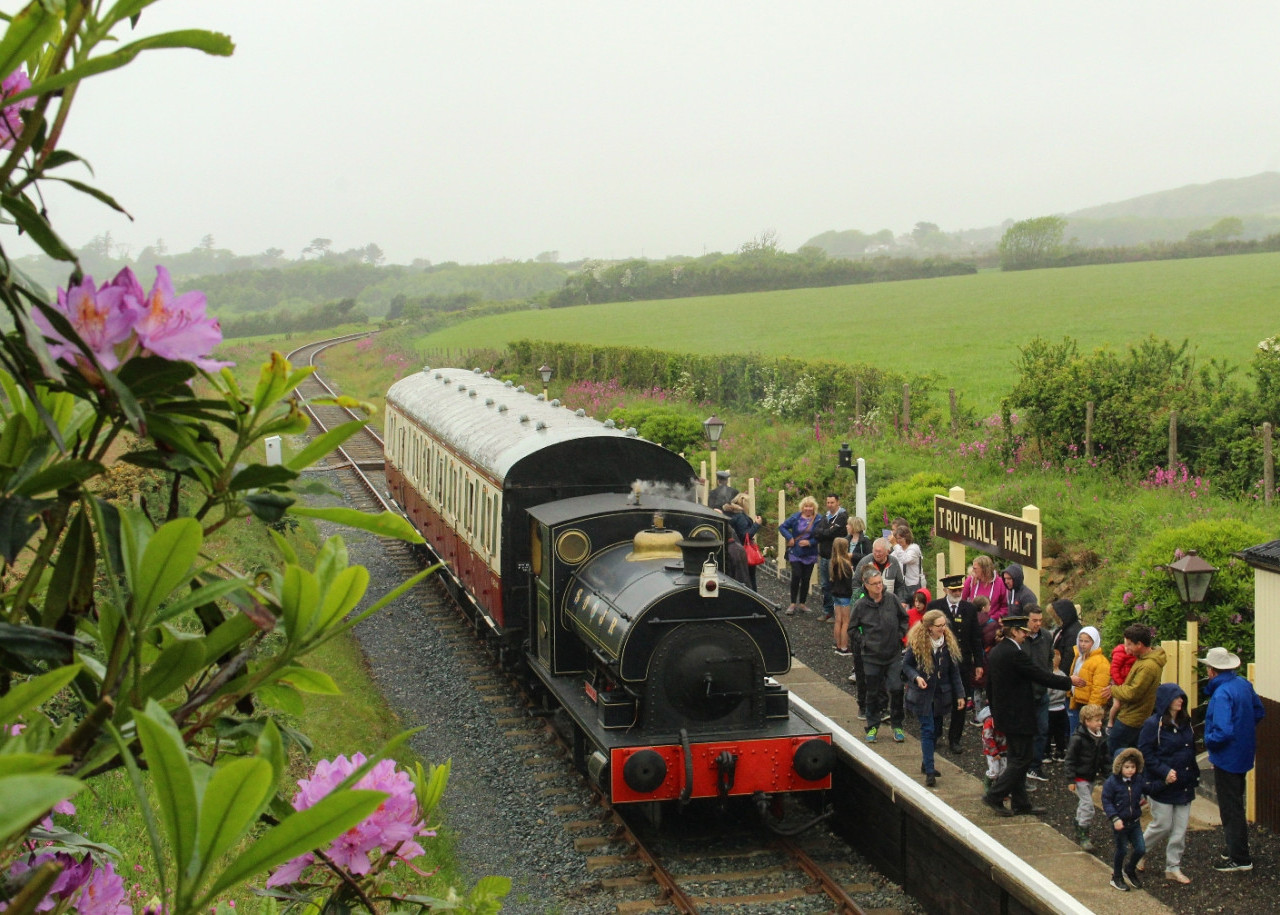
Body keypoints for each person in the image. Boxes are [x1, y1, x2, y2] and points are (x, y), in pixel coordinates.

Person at [981, 615, 1080, 817]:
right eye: (1023, 631)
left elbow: (989, 685)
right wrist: (1068, 681)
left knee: (1016, 758)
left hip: (1005, 714)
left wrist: (995, 712)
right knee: (1022, 759)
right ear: (1014, 632)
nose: (1026, 635)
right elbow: (1039, 674)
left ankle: (1021, 803)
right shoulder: (1014, 654)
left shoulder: (998, 651)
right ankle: (995, 795)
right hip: (1018, 715)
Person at [1200, 646, 1265, 873]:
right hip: (1243, 752)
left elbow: (1222, 731)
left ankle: (1239, 857)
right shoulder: (1243, 684)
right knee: (1235, 800)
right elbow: (1259, 712)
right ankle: (1235, 848)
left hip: (1227, 756)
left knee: (1230, 807)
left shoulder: (1221, 694)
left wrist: (1209, 742)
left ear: (1212, 671)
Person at [1138, 682, 1198, 884]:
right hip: (1162, 784)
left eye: (1182, 697)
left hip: (1184, 783)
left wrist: (1192, 775)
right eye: (1176, 697)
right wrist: (1164, 772)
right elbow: (1145, 752)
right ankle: (1139, 851)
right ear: (1166, 701)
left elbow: (1191, 750)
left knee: (1180, 829)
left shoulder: (1186, 722)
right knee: (1162, 824)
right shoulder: (1153, 724)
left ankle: (1173, 867)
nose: (1180, 700)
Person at [903, 610, 966, 787]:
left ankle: (926, 762)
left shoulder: (947, 644)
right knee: (928, 730)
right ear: (929, 627)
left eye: (944, 625)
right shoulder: (918, 643)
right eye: (939, 626)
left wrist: (960, 694)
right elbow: (906, 665)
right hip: (922, 695)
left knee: (936, 730)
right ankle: (930, 771)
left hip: (940, 696)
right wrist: (916, 677)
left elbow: (954, 672)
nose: (943, 628)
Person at [850, 568, 909, 743]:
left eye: (880, 583)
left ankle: (897, 724)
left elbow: (904, 618)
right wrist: (864, 642)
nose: (878, 587)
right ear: (866, 585)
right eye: (875, 584)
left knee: (897, 689)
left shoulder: (892, 599)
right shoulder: (860, 605)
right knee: (873, 693)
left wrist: (899, 636)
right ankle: (872, 726)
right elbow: (852, 629)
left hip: (892, 655)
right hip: (871, 656)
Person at [928, 573, 985, 753]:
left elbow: (976, 638)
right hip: (940, 663)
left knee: (960, 701)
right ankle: (936, 734)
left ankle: (955, 738)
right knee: (937, 700)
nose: (957, 593)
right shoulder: (935, 607)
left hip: (962, 663)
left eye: (959, 589)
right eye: (953, 590)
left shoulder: (969, 609)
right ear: (946, 590)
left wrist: (979, 663)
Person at [1104, 624, 1167, 757]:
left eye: (1129, 644)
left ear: (1139, 644)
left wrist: (1113, 690)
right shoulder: (1143, 659)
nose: (1126, 648)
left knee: (1114, 751)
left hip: (1131, 718)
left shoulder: (1148, 666)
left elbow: (1133, 693)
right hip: (1134, 717)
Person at [1065, 703, 1110, 851]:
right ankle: (1084, 833)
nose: (1100, 723)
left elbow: (1105, 759)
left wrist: (1108, 775)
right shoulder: (1078, 739)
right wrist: (1071, 779)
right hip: (1080, 777)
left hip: (1091, 776)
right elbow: (1070, 759)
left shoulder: (1101, 737)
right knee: (1088, 806)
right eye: (1097, 720)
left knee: (1084, 803)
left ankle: (1079, 825)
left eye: (1100, 720)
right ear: (1087, 721)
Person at [1102, 747, 1148, 892]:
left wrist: (1165, 782)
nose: (1130, 770)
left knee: (1141, 849)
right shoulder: (1112, 782)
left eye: (1133, 767)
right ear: (1119, 766)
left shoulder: (1138, 780)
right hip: (1120, 823)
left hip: (1134, 822)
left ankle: (1129, 869)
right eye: (1127, 767)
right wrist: (1114, 818)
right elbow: (1106, 800)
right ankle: (1116, 876)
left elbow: (1148, 788)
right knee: (1121, 850)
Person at [1023, 606, 1053, 783]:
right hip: (1024, 693)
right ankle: (1022, 765)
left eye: (1040, 620)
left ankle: (1035, 766)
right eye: (1034, 620)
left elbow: (1049, 658)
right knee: (1024, 732)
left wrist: (1047, 676)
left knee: (1042, 729)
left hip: (1041, 692)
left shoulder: (1046, 636)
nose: (1038, 624)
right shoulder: (1020, 638)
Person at [778, 496, 820, 615]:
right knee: (796, 575)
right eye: (806, 506)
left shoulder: (818, 519)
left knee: (806, 578)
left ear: (814, 508)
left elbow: (821, 535)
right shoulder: (796, 517)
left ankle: (802, 603)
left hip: (810, 552)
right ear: (802, 507)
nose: (808, 508)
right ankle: (792, 603)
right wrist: (790, 537)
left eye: (810, 506)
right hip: (795, 551)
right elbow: (782, 527)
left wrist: (810, 542)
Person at [1067, 626, 1109, 737]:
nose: (1082, 644)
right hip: (1076, 702)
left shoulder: (1101, 662)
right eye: (1080, 641)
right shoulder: (1079, 657)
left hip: (1088, 706)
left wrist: (1091, 711)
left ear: (1094, 642)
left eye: (1086, 641)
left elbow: (1098, 689)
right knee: (1075, 734)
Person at [814, 493, 849, 623]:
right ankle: (827, 611)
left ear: (838, 502)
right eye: (828, 502)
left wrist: (824, 532)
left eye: (832, 502)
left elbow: (831, 533)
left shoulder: (842, 517)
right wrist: (825, 532)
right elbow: (816, 533)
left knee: (835, 584)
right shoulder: (825, 517)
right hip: (823, 555)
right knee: (825, 585)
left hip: (835, 557)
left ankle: (836, 613)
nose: (829, 505)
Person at [721, 492, 763, 591]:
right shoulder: (741, 517)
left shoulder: (729, 513)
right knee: (750, 577)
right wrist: (757, 524)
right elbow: (745, 535)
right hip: (743, 550)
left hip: (732, 548)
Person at [829, 537, 855, 656]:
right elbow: (849, 582)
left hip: (835, 594)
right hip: (845, 596)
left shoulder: (833, 562)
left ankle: (838, 644)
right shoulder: (846, 564)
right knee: (846, 622)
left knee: (838, 620)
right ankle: (844, 647)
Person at [962, 555, 1008, 621]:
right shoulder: (970, 580)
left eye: (975, 568)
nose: (973, 571)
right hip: (973, 621)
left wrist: (992, 619)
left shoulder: (1000, 583)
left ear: (984, 569)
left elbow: (1005, 607)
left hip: (992, 623)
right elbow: (962, 601)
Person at [891, 523, 926, 603]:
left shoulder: (914, 548)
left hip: (915, 584)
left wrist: (895, 545)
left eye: (900, 538)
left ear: (907, 537)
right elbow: (891, 558)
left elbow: (905, 559)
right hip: (904, 585)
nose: (898, 541)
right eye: (897, 539)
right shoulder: (899, 550)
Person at [978, 703, 1007, 792]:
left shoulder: (1008, 719)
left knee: (1004, 769)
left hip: (1004, 749)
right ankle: (987, 784)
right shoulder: (989, 722)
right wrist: (994, 752)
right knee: (994, 770)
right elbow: (987, 739)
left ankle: (999, 789)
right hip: (991, 751)